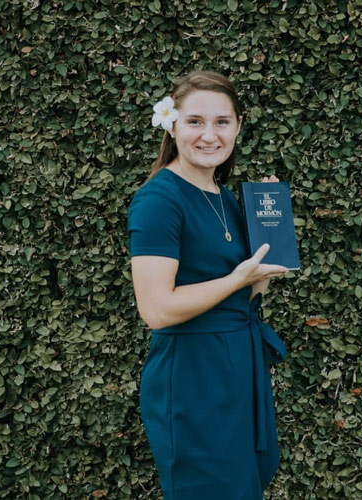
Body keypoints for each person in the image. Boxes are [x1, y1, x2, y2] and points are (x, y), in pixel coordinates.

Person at [127, 70, 289, 500]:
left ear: (238, 125)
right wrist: (237, 277)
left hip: (238, 367)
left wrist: (268, 230)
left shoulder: (227, 198)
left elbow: (247, 293)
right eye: (195, 121)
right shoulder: (159, 200)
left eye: (222, 122)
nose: (209, 135)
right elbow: (156, 309)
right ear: (172, 125)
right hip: (192, 378)